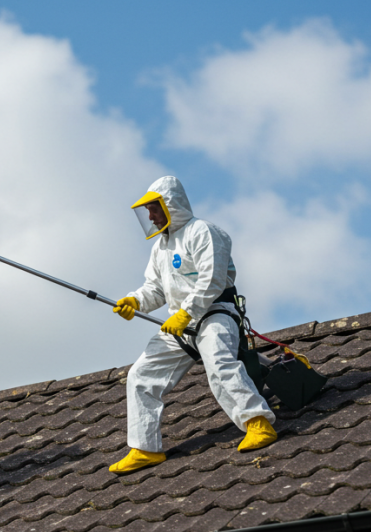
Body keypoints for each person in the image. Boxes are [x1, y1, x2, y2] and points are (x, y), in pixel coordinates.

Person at [109, 176, 277, 475]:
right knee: (141, 376)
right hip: (180, 325)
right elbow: (156, 289)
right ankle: (145, 448)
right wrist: (135, 301)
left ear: (170, 204)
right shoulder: (161, 247)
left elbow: (211, 280)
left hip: (215, 313)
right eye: (147, 210)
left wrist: (186, 313)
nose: (149, 216)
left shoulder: (204, 232)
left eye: (153, 208)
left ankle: (258, 423)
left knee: (219, 361)